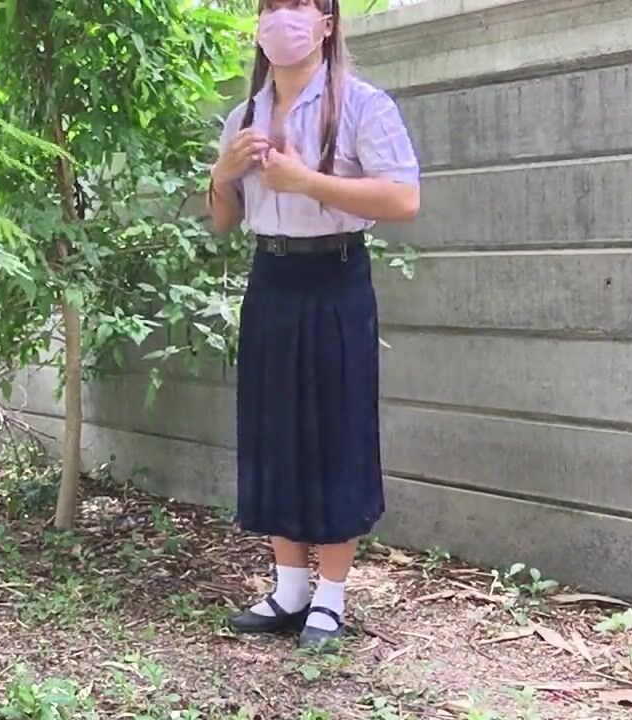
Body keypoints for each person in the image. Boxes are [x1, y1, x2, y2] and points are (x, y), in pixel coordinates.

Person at [207, 0, 421, 651]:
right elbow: (223, 221)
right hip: (270, 279)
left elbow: (404, 199)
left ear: (327, 22)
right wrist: (222, 175)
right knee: (273, 428)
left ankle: (330, 597)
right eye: (270, 7)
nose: (283, 19)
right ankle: (289, 589)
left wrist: (307, 181)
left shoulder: (362, 105)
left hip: (335, 278)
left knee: (336, 429)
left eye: (298, 5)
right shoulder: (244, 117)